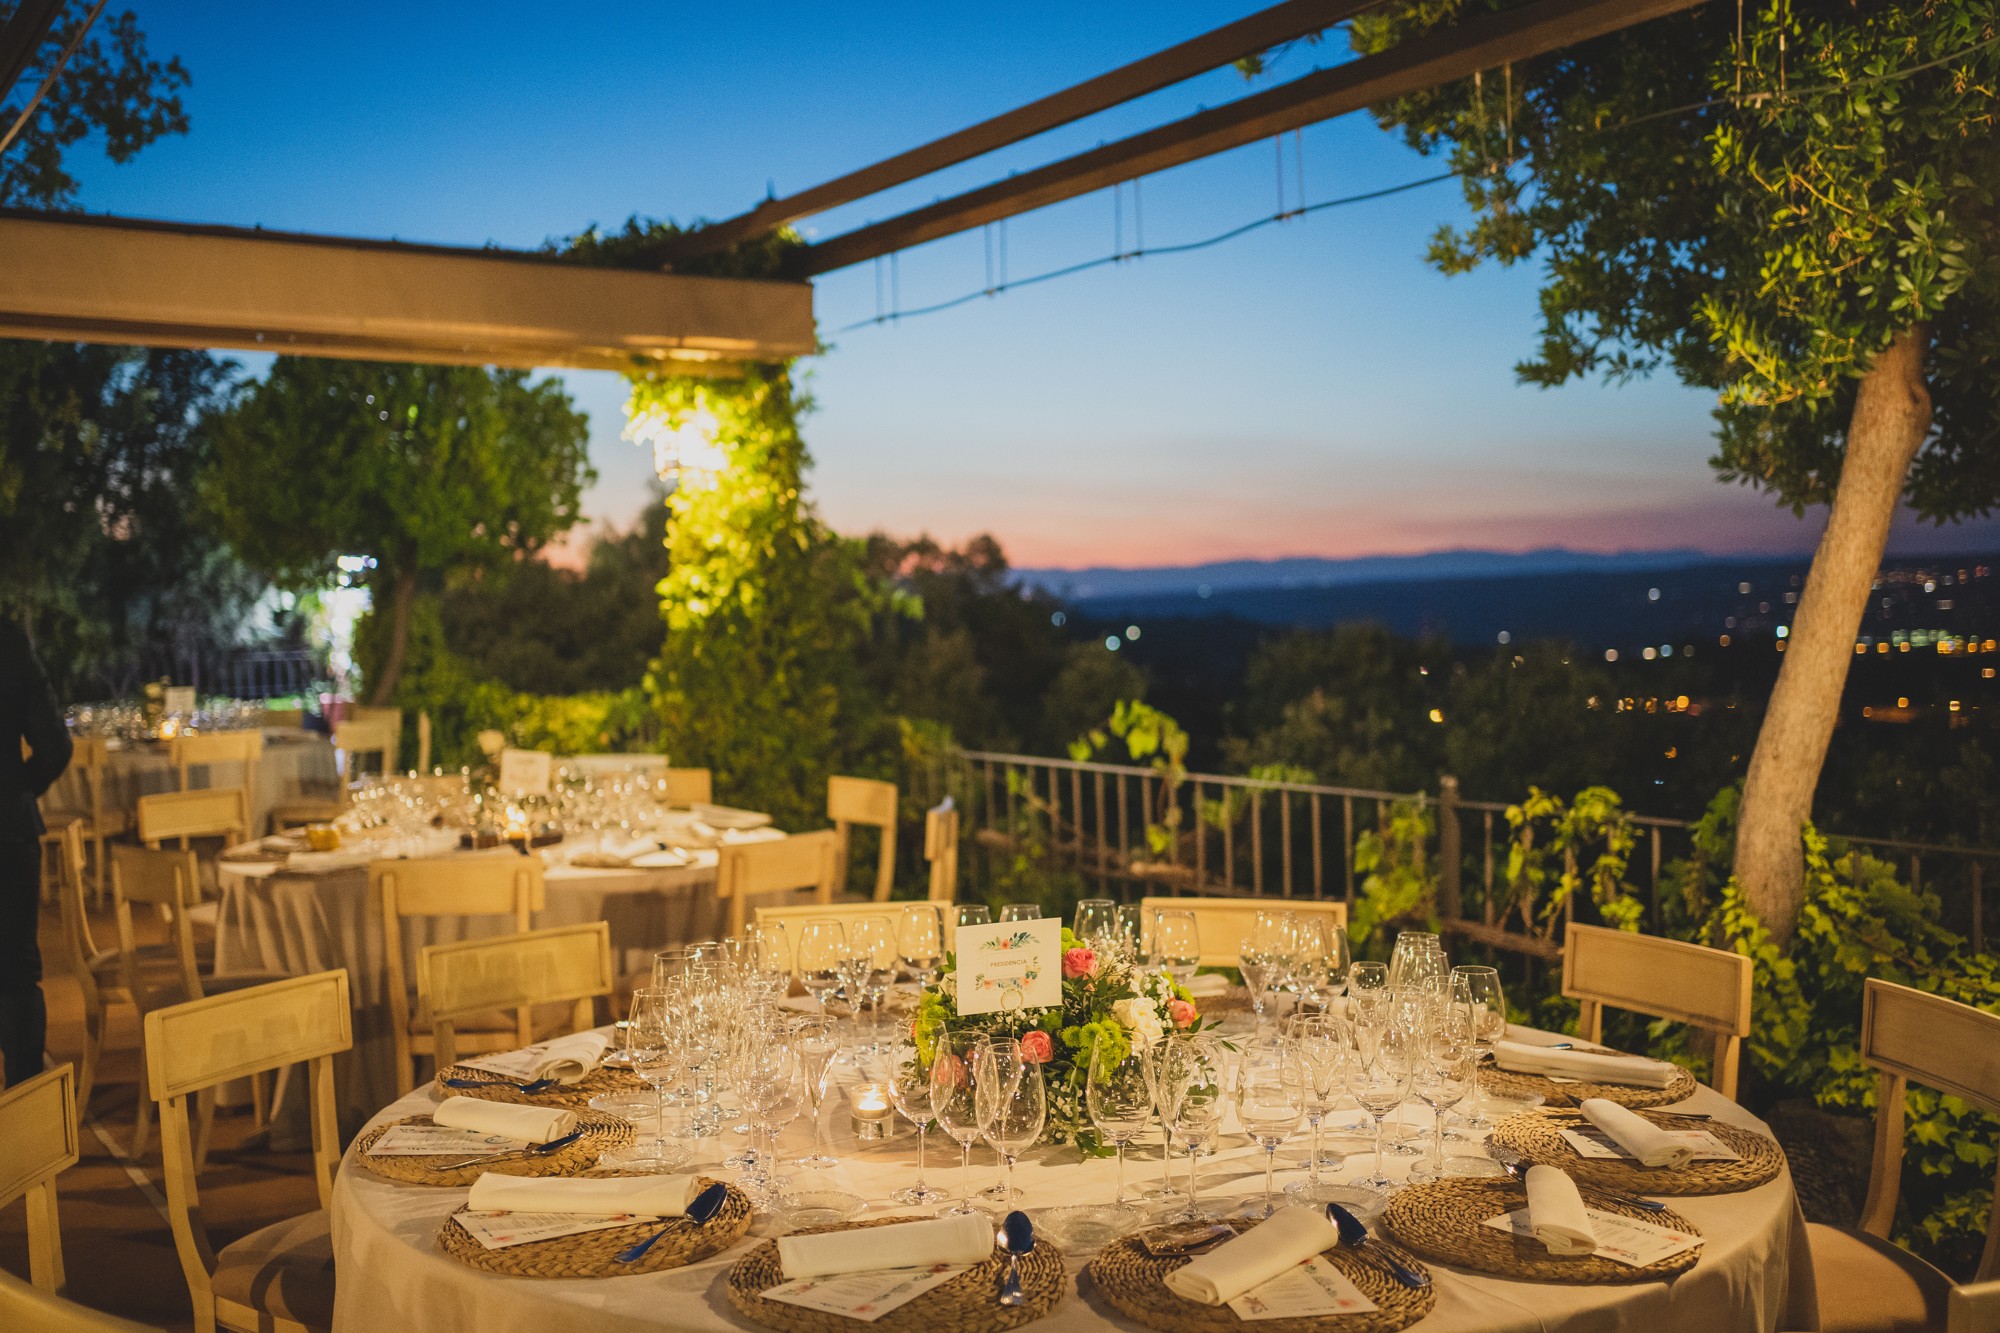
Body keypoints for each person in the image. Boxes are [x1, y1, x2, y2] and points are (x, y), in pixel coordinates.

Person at [0, 617, 71, 1087]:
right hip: (8, 831)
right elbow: (55, 746)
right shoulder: (7, 641)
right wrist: (15, 791)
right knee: (17, 974)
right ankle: (28, 1131)